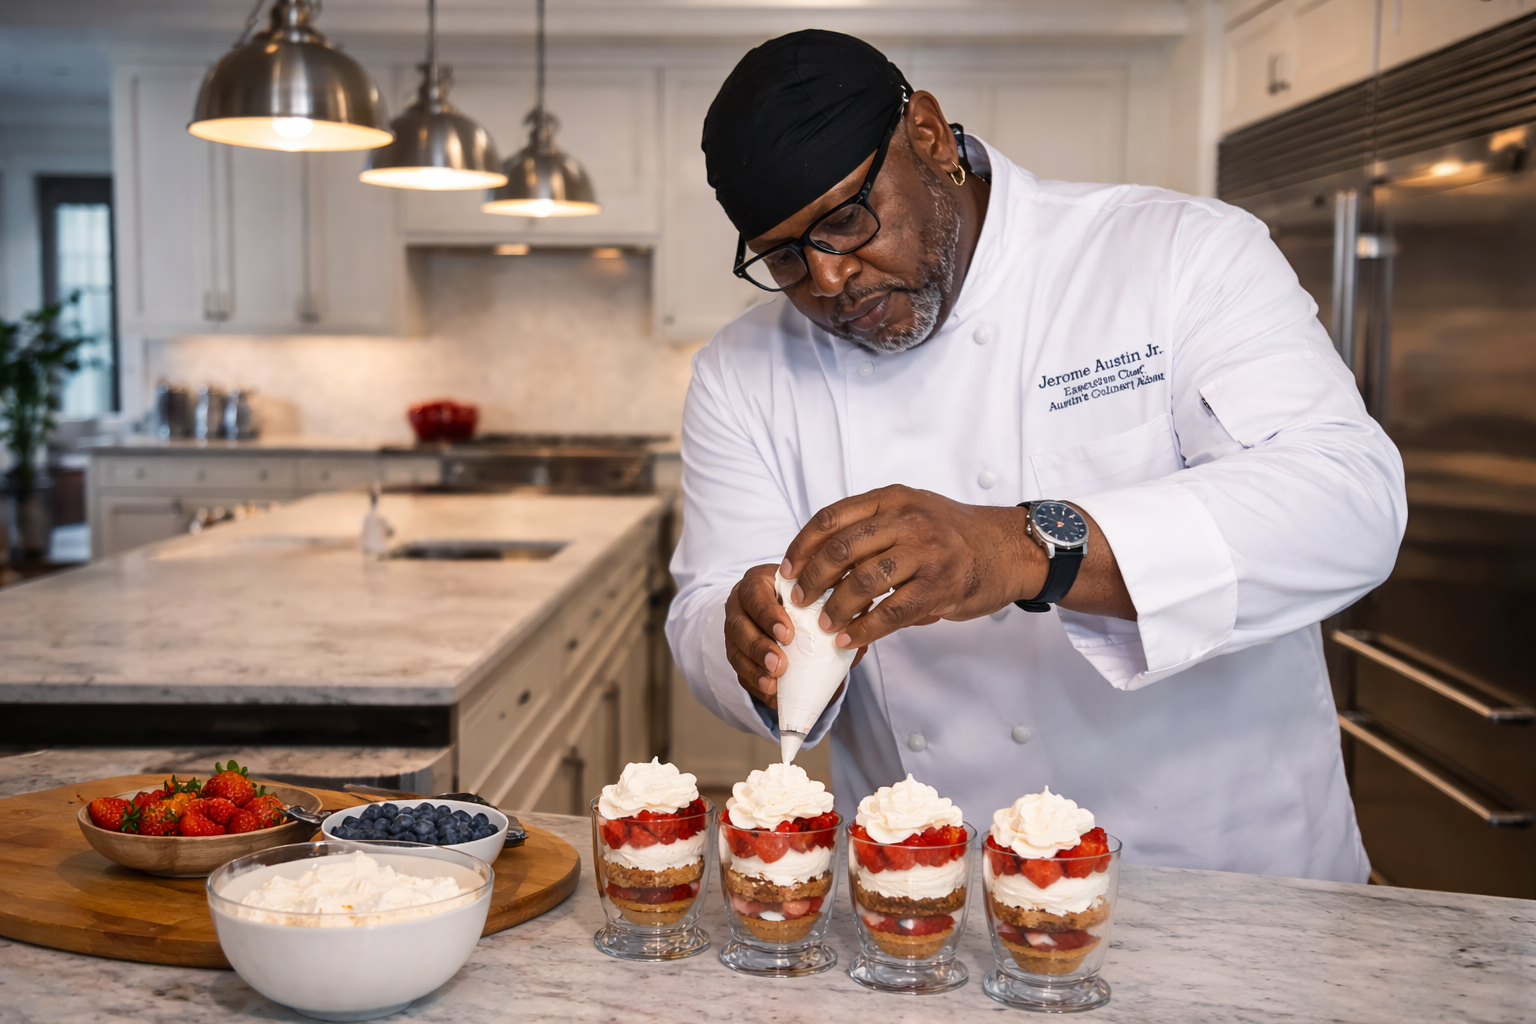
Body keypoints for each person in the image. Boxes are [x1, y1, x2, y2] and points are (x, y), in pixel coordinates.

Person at [665, 29, 1405, 881]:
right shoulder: (739, 371)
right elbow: (704, 602)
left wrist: (1023, 547)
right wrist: (743, 643)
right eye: (786, 258)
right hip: (934, 895)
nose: (828, 282)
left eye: (845, 221)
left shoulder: (1174, 253)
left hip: (1226, 879)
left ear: (931, 137)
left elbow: (1351, 504)